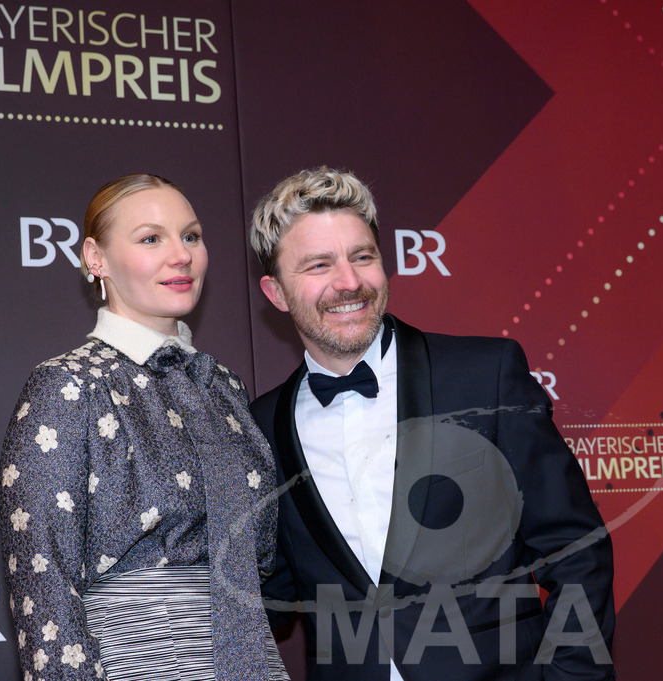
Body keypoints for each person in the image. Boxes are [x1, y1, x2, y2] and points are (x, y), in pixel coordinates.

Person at [248, 167, 615, 681]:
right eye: (318, 265)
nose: (349, 282)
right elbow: (270, 588)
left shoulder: (485, 376)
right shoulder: (259, 427)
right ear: (276, 293)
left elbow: (575, 549)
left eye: (362, 256)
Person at [0, 174, 288, 681]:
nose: (182, 256)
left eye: (192, 236)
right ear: (96, 258)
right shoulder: (67, 387)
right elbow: (43, 590)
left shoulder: (223, 386)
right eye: (151, 238)